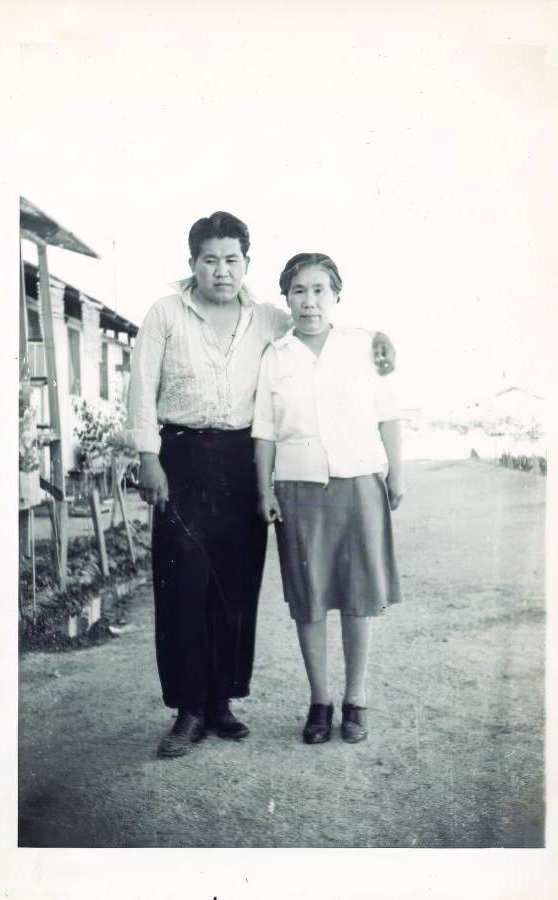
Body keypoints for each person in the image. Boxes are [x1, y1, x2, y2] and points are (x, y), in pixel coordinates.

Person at [127, 213, 397, 759]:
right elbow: (140, 389)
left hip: (238, 460)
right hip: (179, 456)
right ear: (192, 263)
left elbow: (319, 324)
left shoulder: (268, 318)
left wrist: (380, 341)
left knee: (235, 589)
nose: (221, 270)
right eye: (210, 259)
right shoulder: (164, 314)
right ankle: (188, 711)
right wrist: (148, 457)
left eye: (232, 260)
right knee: (182, 587)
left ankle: (222, 703)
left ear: (246, 264)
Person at [253, 252, 403, 745]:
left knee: (360, 597)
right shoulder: (275, 356)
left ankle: (356, 699)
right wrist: (264, 489)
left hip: (359, 482)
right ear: (287, 298)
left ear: (336, 295)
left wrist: (395, 474)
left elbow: (388, 415)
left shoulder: (364, 346)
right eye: (299, 291)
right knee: (309, 600)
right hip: (298, 488)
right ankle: (320, 701)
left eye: (319, 290)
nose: (309, 301)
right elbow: (265, 433)